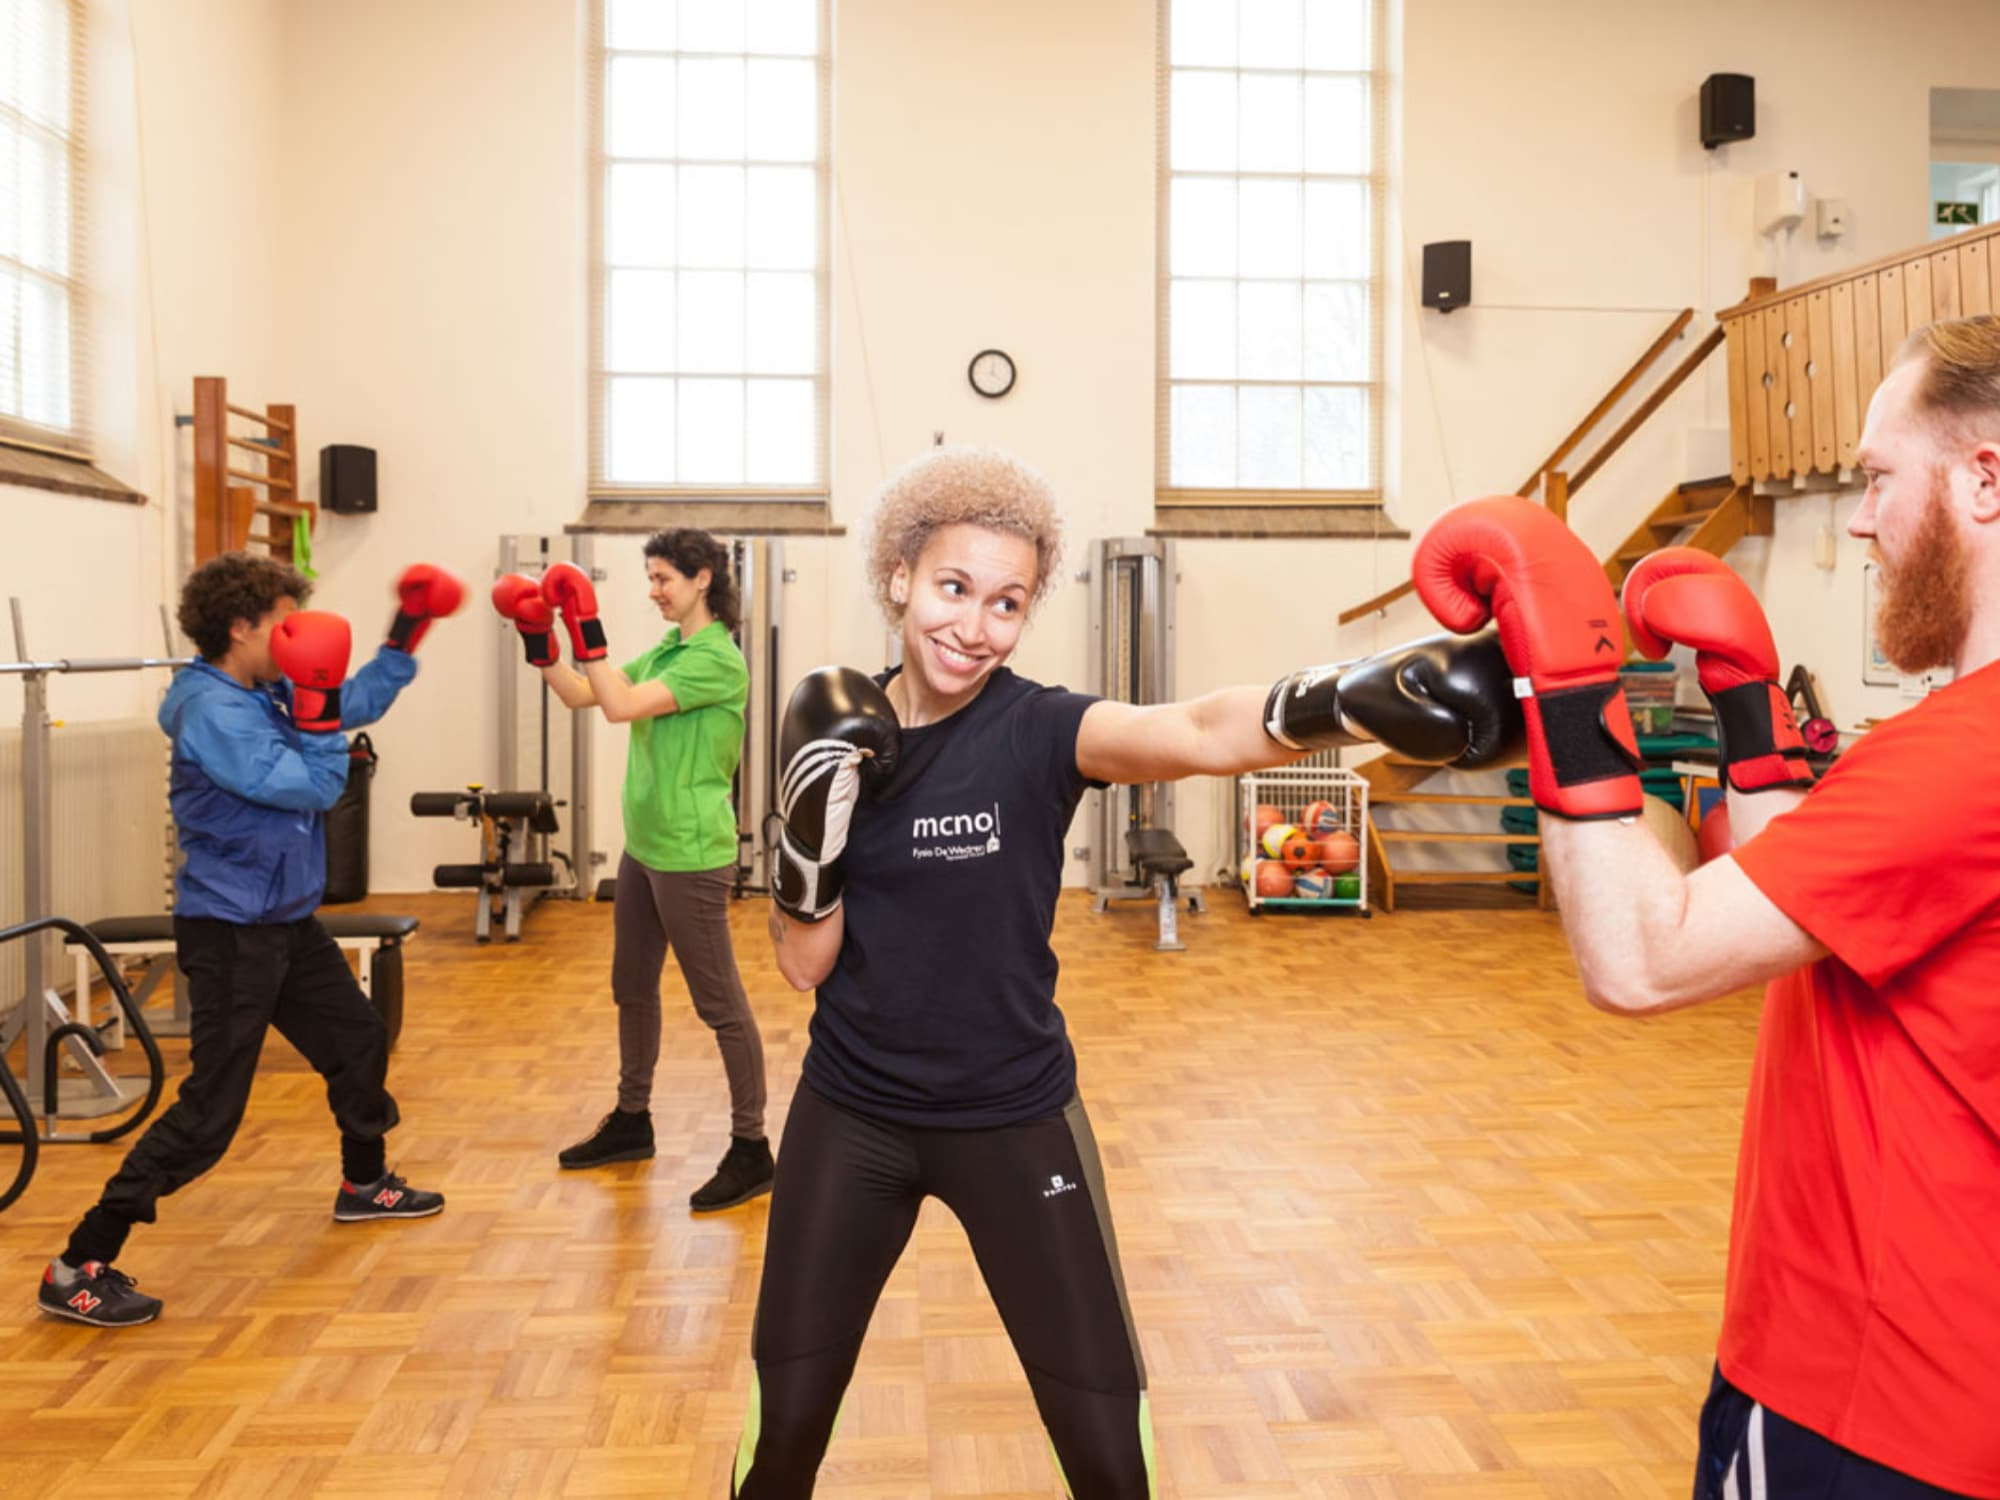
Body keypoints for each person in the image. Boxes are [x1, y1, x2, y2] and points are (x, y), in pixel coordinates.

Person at [730, 446, 1526, 1497]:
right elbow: (803, 965)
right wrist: (805, 839)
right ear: (898, 578)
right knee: (781, 1434)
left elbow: (1195, 730)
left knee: (1106, 1453)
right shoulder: (843, 735)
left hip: (1013, 1119)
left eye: (1005, 602)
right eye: (952, 588)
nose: (973, 627)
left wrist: (1351, 696)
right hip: (853, 1117)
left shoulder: (1038, 729)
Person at [1409, 312, 2000, 1499]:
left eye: (1879, 478)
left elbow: (1639, 959)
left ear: (1983, 475)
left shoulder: (1960, 755)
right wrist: (1746, 728)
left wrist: (1565, 685)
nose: (1860, 518)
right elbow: (1769, 919)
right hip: (1927, 1362)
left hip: (1867, 1388)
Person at [38, 554, 460, 1329]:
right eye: (282, 621)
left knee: (358, 1038)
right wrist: (325, 720)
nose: (295, 634)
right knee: (210, 1114)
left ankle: (364, 1185)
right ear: (240, 626)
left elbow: (345, 701)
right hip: (232, 931)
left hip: (282, 920)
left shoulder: (264, 689)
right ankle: (80, 1263)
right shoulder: (213, 711)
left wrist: (406, 631)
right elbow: (310, 783)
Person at [496, 530, 771, 1211]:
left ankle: (752, 1148)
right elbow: (580, 694)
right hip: (645, 845)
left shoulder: (716, 661)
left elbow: (618, 707)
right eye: (649, 579)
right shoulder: (671, 648)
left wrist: (584, 621)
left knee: (720, 1005)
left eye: (662, 579)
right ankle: (631, 1120)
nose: (653, 591)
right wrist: (541, 635)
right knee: (631, 986)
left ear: (702, 579)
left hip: (690, 854)